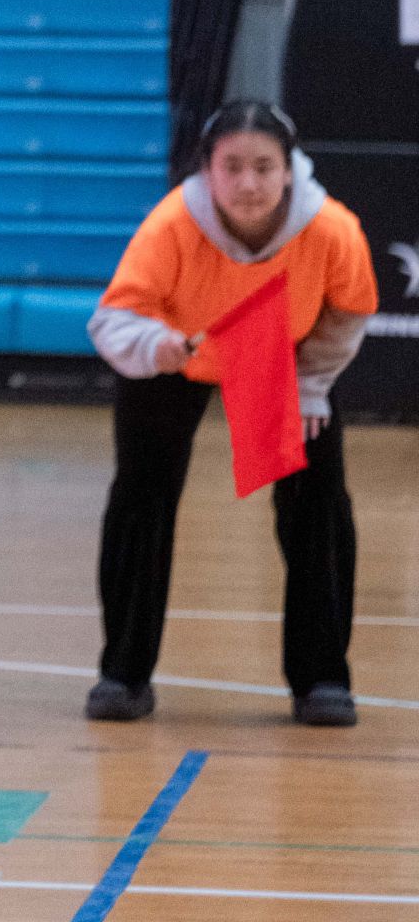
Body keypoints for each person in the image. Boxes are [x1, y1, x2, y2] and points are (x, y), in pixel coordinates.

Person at [85, 98, 378, 729]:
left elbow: (348, 312)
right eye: (232, 167)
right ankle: (123, 675)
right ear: (207, 170)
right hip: (176, 352)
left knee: (318, 510)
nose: (248, 183)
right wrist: (155, 346)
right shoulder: (171, 226)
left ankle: (322, 679)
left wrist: (310, 386)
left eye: (264, 167)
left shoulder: (332, 229)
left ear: (289, 170)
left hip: (281, 359)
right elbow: (111, 320)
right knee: (141, 500)